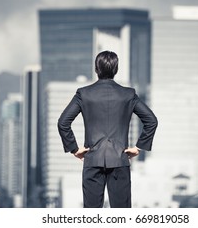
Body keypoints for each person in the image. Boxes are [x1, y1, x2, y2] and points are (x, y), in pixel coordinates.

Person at [57, 50, 158, 208]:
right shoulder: (128, 94)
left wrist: (74, 149)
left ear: (96, 69)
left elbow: (63, 122)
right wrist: (138, 147)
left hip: (92, 159)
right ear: (116, 69)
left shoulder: (83, 94)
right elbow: (151, 120)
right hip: (120, 159)